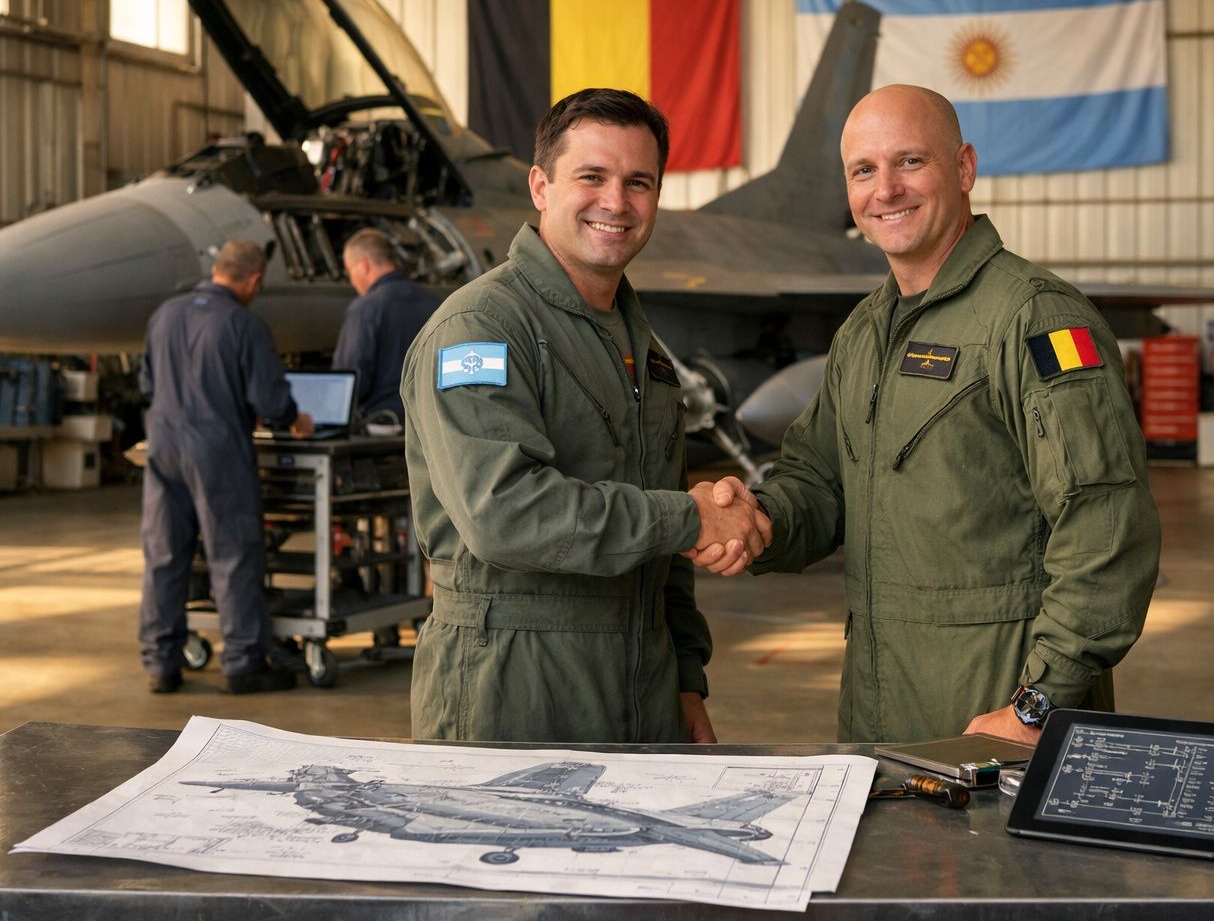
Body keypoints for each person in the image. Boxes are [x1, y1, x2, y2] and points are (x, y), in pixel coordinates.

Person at [698, 85, 1161, 744]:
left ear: (964, 168)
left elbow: (1105, 518)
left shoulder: (1033, 317)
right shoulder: (864, 333)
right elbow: (819, 482)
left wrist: (1040, 704)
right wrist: (754, 521)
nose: (885, 189)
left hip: (998, 714)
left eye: (910, 162)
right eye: (864, 170)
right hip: (879, 708)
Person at [400, 88, 770, 744]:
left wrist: (685, 679)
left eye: (639, 182)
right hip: (510, 692)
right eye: (591, 177)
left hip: (641, 691)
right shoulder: (480, 331)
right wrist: (693, 516)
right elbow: (504, 515)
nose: (616, 202)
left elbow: (665, 551)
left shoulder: (642, 350)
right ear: (540, 186)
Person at [139, 238, 315, 695]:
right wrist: (296, 420)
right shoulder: (243, 324)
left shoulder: (165, 315)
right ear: (254, 279)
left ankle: (162, 662)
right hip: (216, 451)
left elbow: (147, 383)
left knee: (164, 554)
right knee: (233, 554)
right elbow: (271, 402)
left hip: (162, 447)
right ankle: (242, 662)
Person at [332, 229, 443, 423]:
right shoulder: (437, 304)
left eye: (350, 271)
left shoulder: (365, 308)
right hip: (432, 421)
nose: (351, 280)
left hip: (385, 424)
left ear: (364, 266)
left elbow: (352, 377)